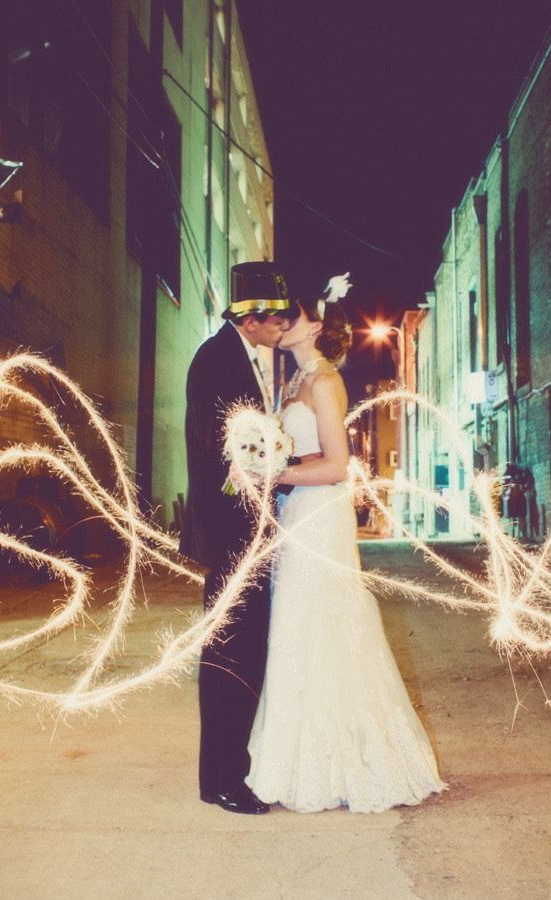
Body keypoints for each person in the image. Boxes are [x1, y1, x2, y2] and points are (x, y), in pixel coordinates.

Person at [245, 294, 446, 813]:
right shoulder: (294, 380)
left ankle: (350, 761)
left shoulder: (327, 381)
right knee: (294, 626)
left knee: (321, 621)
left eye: (296, 315)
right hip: (296, 514)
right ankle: (295, 759)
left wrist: (273, 474)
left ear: (317, 327)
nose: (283, 322)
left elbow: (338, 466)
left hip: (319, 514)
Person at [179, 261, 299, 815]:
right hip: (231, 535)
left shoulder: (235, 356)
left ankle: (228, 771)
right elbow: (224, 449)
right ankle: (223, 780)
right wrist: (276, 456)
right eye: (275, 318)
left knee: (242, 653)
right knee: (232, 657)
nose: (282, 326)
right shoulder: (217, 360)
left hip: (242, 532)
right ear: (249, 319)